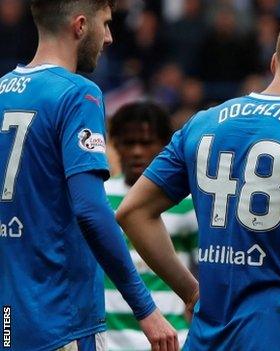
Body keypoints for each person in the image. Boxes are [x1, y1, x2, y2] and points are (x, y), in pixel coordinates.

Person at [115, 7, 280, 351]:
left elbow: (132, 212)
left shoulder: (203, 122)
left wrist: (190, 290)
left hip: (207, 336)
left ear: (274, 62)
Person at [0, 1, 177, 350]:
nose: (109, 37)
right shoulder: (78, 93)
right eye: (106, 24)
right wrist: (146, 308)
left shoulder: (2, 90)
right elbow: (92, 211)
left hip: (8, 321)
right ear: (80, 26)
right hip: (61, 322)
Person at [105, 102, 198, 350]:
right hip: (110, 341)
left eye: (146, 144)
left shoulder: (188, 204)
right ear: (115, 145)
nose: (136, 152)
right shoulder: (99, 197)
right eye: (128, 143)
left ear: (164, 147)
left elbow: (204, 271)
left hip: (172, 340)